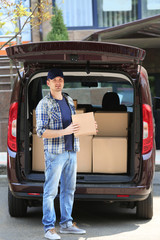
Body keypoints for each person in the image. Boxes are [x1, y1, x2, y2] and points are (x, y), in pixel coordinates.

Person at [36, 68, 86, 240]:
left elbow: (73, 125)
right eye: (54, 80)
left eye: (60, 79)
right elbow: (41, 132)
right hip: (55, 154)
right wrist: (64, 131)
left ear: (63, 82)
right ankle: (49, 228)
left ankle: (66, 224)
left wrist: (87, 127)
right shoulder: (44, 104)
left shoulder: (69, 100)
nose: (58, 82)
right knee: (50, 192)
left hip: (71, 151)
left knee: (69, 189)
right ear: (48, 83)